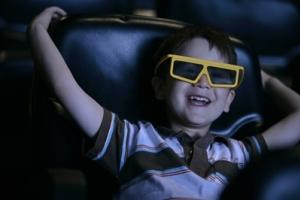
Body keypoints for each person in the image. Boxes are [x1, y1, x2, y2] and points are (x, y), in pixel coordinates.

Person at [29, 6, 300, 200]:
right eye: (188, 70)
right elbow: (64, 87)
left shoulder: (239, 153)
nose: (203, 82)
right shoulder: (131, 139)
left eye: (218, 76)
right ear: (160, 87)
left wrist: (262, 80)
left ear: (230, 100)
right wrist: (38, 29)